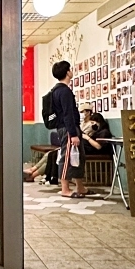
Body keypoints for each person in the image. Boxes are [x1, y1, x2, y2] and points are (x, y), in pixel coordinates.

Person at [50, 60, 87, 198]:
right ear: (67, 72)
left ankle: (80, 186)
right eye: (70, 69)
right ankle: (65, 188)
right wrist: (73, 133)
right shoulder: (63, 91)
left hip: (69, 128)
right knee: (67, 158)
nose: (72, 71)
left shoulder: (57, 90)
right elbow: (67, 114)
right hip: (68, 129)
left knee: (79, 156)